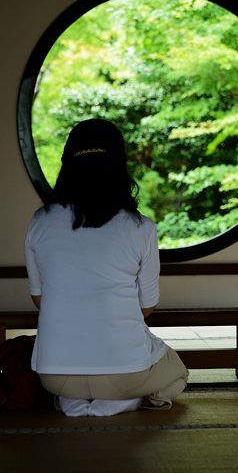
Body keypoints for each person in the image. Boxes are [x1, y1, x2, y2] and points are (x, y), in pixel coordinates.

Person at [24, 118, 188, 417]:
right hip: (126, 373)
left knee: (89, 372)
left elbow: (40, 300)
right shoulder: (141, 228)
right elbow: (146, 307)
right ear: (119, 166)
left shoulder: (40, 222)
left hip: (54, 377)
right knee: (177, 372)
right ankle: (122, 400)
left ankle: (74, 401)